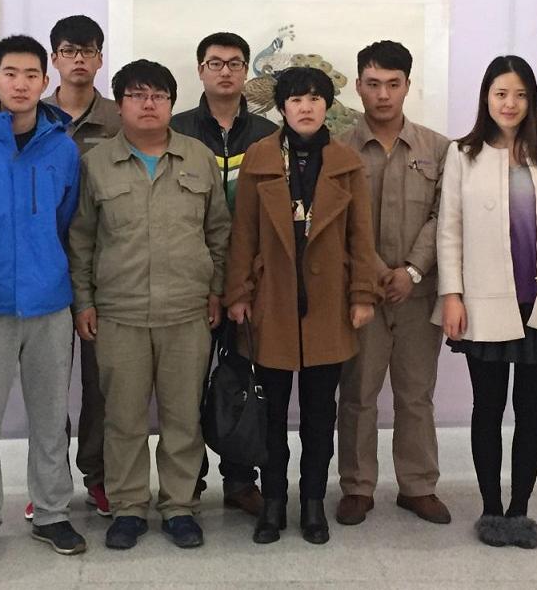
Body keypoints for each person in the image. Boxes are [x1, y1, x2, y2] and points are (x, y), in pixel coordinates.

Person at [68, 59, 231, 551]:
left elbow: (218, 231)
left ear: (171, 104)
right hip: (119, 312)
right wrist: (83, 301)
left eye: (158, 95)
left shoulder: (199, 158)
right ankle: (128, 507)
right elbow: (82, 238)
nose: (148, 104)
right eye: (137, 95)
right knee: (123, 419)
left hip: (187, 312)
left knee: (183, 417)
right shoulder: (96, 163)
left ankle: (180, 506)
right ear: (120, 104)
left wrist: (216, 290)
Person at [435, 55, 537, 549]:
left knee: (531, 411)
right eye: (501, 93)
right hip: (485, 303)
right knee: (487, 409)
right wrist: (451, 295)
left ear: (531, 100)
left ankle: (520, 510)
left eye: (520, 94)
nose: (510, 103)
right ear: (486, 96)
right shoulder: (464, 153)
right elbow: (449, 229)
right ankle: (490, 509)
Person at [224, 66, 382, 545]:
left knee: (319, 414)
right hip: (271, 301)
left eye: (315, 98)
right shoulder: (260, 157)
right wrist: (238, 294)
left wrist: (363, 294)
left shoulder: (345, 162)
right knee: (271, 414)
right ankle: (273, 502)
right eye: (296, 99)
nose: (306, 107)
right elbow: (243, 232)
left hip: (329, 303)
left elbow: (361, 236)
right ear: (282, 108)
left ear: (327, 106)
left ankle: (312, 502)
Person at [0, 34, 86, 561]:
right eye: (10, 73)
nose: (21, 84)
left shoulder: (63, 147)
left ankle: (51, 513)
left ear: (45, 80)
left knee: (50, 418)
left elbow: (67, 220)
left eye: (31, 75)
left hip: (50, 302)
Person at [336, 41, 452, 527]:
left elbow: (443, 217)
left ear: (408, 85)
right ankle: (357, 486)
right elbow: (336, 222)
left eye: (393, 84)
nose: (383, 94)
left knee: (415, 395)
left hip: (417, 295)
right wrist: (375, 273)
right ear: (358, 86)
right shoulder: (338, 149)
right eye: (373, 84)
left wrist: (412, 271)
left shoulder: (438, 148)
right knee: (358, 394)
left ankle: (418, 486)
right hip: (360, 296)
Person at [171, 31, 277, 516]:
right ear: (200, 70)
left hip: (251, 283)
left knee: (241, 381)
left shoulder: (267, 136)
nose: (226, 71)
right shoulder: (177, 130)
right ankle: (187, 481)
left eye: (235, 63)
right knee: (187, 385)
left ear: (246, 70)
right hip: (188, 279)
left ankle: (239, 479)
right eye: (215, 62)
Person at [22, 14, 120, 522]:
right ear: (54, 59)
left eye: (88, 50)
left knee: (102, 385)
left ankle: (99, 477)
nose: (78, 59)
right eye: (68, 50)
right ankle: (48, 482)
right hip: (43, 269)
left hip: (106, 270)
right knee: (48, 386)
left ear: (100, 58)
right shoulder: (29, 118)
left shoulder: (121, 119)